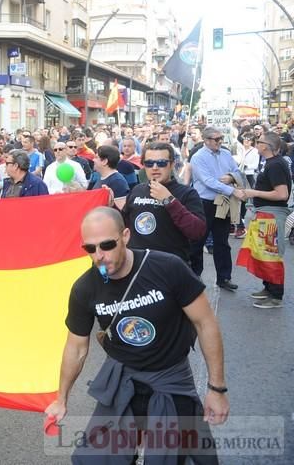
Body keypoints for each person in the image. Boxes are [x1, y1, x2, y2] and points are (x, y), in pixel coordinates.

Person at [45, 207, 227, 464]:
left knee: (184, 458)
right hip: (123, 381)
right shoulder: (85, 288)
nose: (99, 256)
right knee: (96, 459)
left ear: (126, 236)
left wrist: (216, 389)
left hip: (170, 380)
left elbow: (205, 323)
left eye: (107, 245)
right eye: (90, 248)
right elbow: (76, 347)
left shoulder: (168, 268)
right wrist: (61, 399)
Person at [122, 142, 206, 263]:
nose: (155, 167)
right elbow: (123, 224)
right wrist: (111, 206)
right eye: (149, 163)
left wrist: (169, 200)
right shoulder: (137, 189)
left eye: (161, 163)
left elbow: (197, 232)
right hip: (137, 265)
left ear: (171, 165)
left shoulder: (187, 193)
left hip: (169, 267)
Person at [239, 132, 292, 309]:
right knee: (263, 253)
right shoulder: (272, 163)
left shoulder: (275, 164)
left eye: (259, 141)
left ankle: (276, 296)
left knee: (271, 255)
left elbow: (282, 194)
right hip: (265, 214)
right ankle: (268, 288)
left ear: (266, 146)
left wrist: (253, 193)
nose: (256, 144)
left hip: (271, 215)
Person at [190, 127, 244, 292]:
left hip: (223, 203)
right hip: (204, 203)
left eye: (221, 138)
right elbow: (208, 181)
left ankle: (224, 278)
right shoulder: (198, 157)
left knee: (222, 241)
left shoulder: (226, 154)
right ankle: (194, 277)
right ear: (206, 140)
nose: (220, 141)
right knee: (198, 242)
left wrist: (231, 177)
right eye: (216, 139)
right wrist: (232, 190)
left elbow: (237, 172)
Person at [90, 145, 130, 210]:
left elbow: (123, 211)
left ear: (104, 161)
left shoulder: (117, 181)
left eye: (96, 157)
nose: (93, 160)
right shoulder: (101, 177)